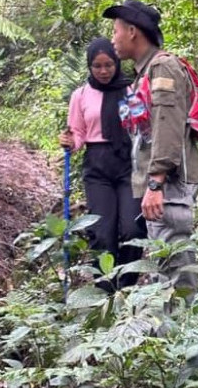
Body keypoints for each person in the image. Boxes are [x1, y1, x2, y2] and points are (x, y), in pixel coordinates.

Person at [103, 0, 198, 300]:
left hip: (170, 186)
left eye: (116, 30)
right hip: (164, 186)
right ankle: (173, 335)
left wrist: (156, 181)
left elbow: (167, 127)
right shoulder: (145, 72)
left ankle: (187, 336)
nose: (113, 38)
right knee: (166, 264)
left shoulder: (162, 68)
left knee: (177, 266)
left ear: (133, 31)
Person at [58, 37, 146, 290]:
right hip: (97, 167)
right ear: (89, 66)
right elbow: (78, 134)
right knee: (101, 233)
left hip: (128, 163)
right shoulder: (81, 95)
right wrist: (68, 141)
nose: (104, 71)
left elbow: (141, 129)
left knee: (132, 229)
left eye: (108, 65)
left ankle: (126, 287)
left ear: (117, 63)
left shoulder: (130, 92)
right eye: (97, 66)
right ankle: (105, 291)